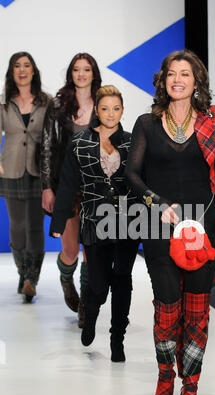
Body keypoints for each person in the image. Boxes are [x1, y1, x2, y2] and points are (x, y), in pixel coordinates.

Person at [125, 50, 215, 395]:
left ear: (196, 81)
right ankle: (164, 379)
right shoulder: (146, 123)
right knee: (168, 308)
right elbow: (132, 175)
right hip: (159, 227)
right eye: (171, 73)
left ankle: (191, 389)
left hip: (202, 229)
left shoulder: (210, 121)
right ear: (163, 80)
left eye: (185, 74)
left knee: (196, 314)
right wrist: (157, 201)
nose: (177, 79)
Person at [49, 85, 139, 362]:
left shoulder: (133, 142)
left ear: (122, 110)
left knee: (122, 279)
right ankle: (90, 318)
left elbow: (144, 180)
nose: (110, 114)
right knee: (98, 285)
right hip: (94, 219)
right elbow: (67, 184)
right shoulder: (80, 143)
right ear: (96, 112)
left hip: (126, 219)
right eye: (104, 108)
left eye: (116, 108)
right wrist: (60, 221)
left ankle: (117, 340)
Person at [40, 52, 101, 327]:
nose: (81, 74)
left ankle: (86, 308)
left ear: (93, 73)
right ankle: (66, 278)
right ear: (71, 73)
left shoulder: (104, 103)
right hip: (66, 186)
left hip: (96, 187)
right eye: (76, 69)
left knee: (92, 250)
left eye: (86, 69)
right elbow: (47, 147)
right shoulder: (58, 105)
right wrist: (47, 188)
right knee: (71, 250)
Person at [0, 52, 50, 302]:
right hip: (10, 170)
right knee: (17, 227)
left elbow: (53, 137)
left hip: (39, 171)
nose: (22, 69)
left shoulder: (46, 101)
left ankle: (33, 278)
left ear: (34, 71)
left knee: (35, 226)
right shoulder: (3, 102)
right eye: (17, 65)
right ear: (11, 71)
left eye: (27, 65)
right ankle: (23, 272)